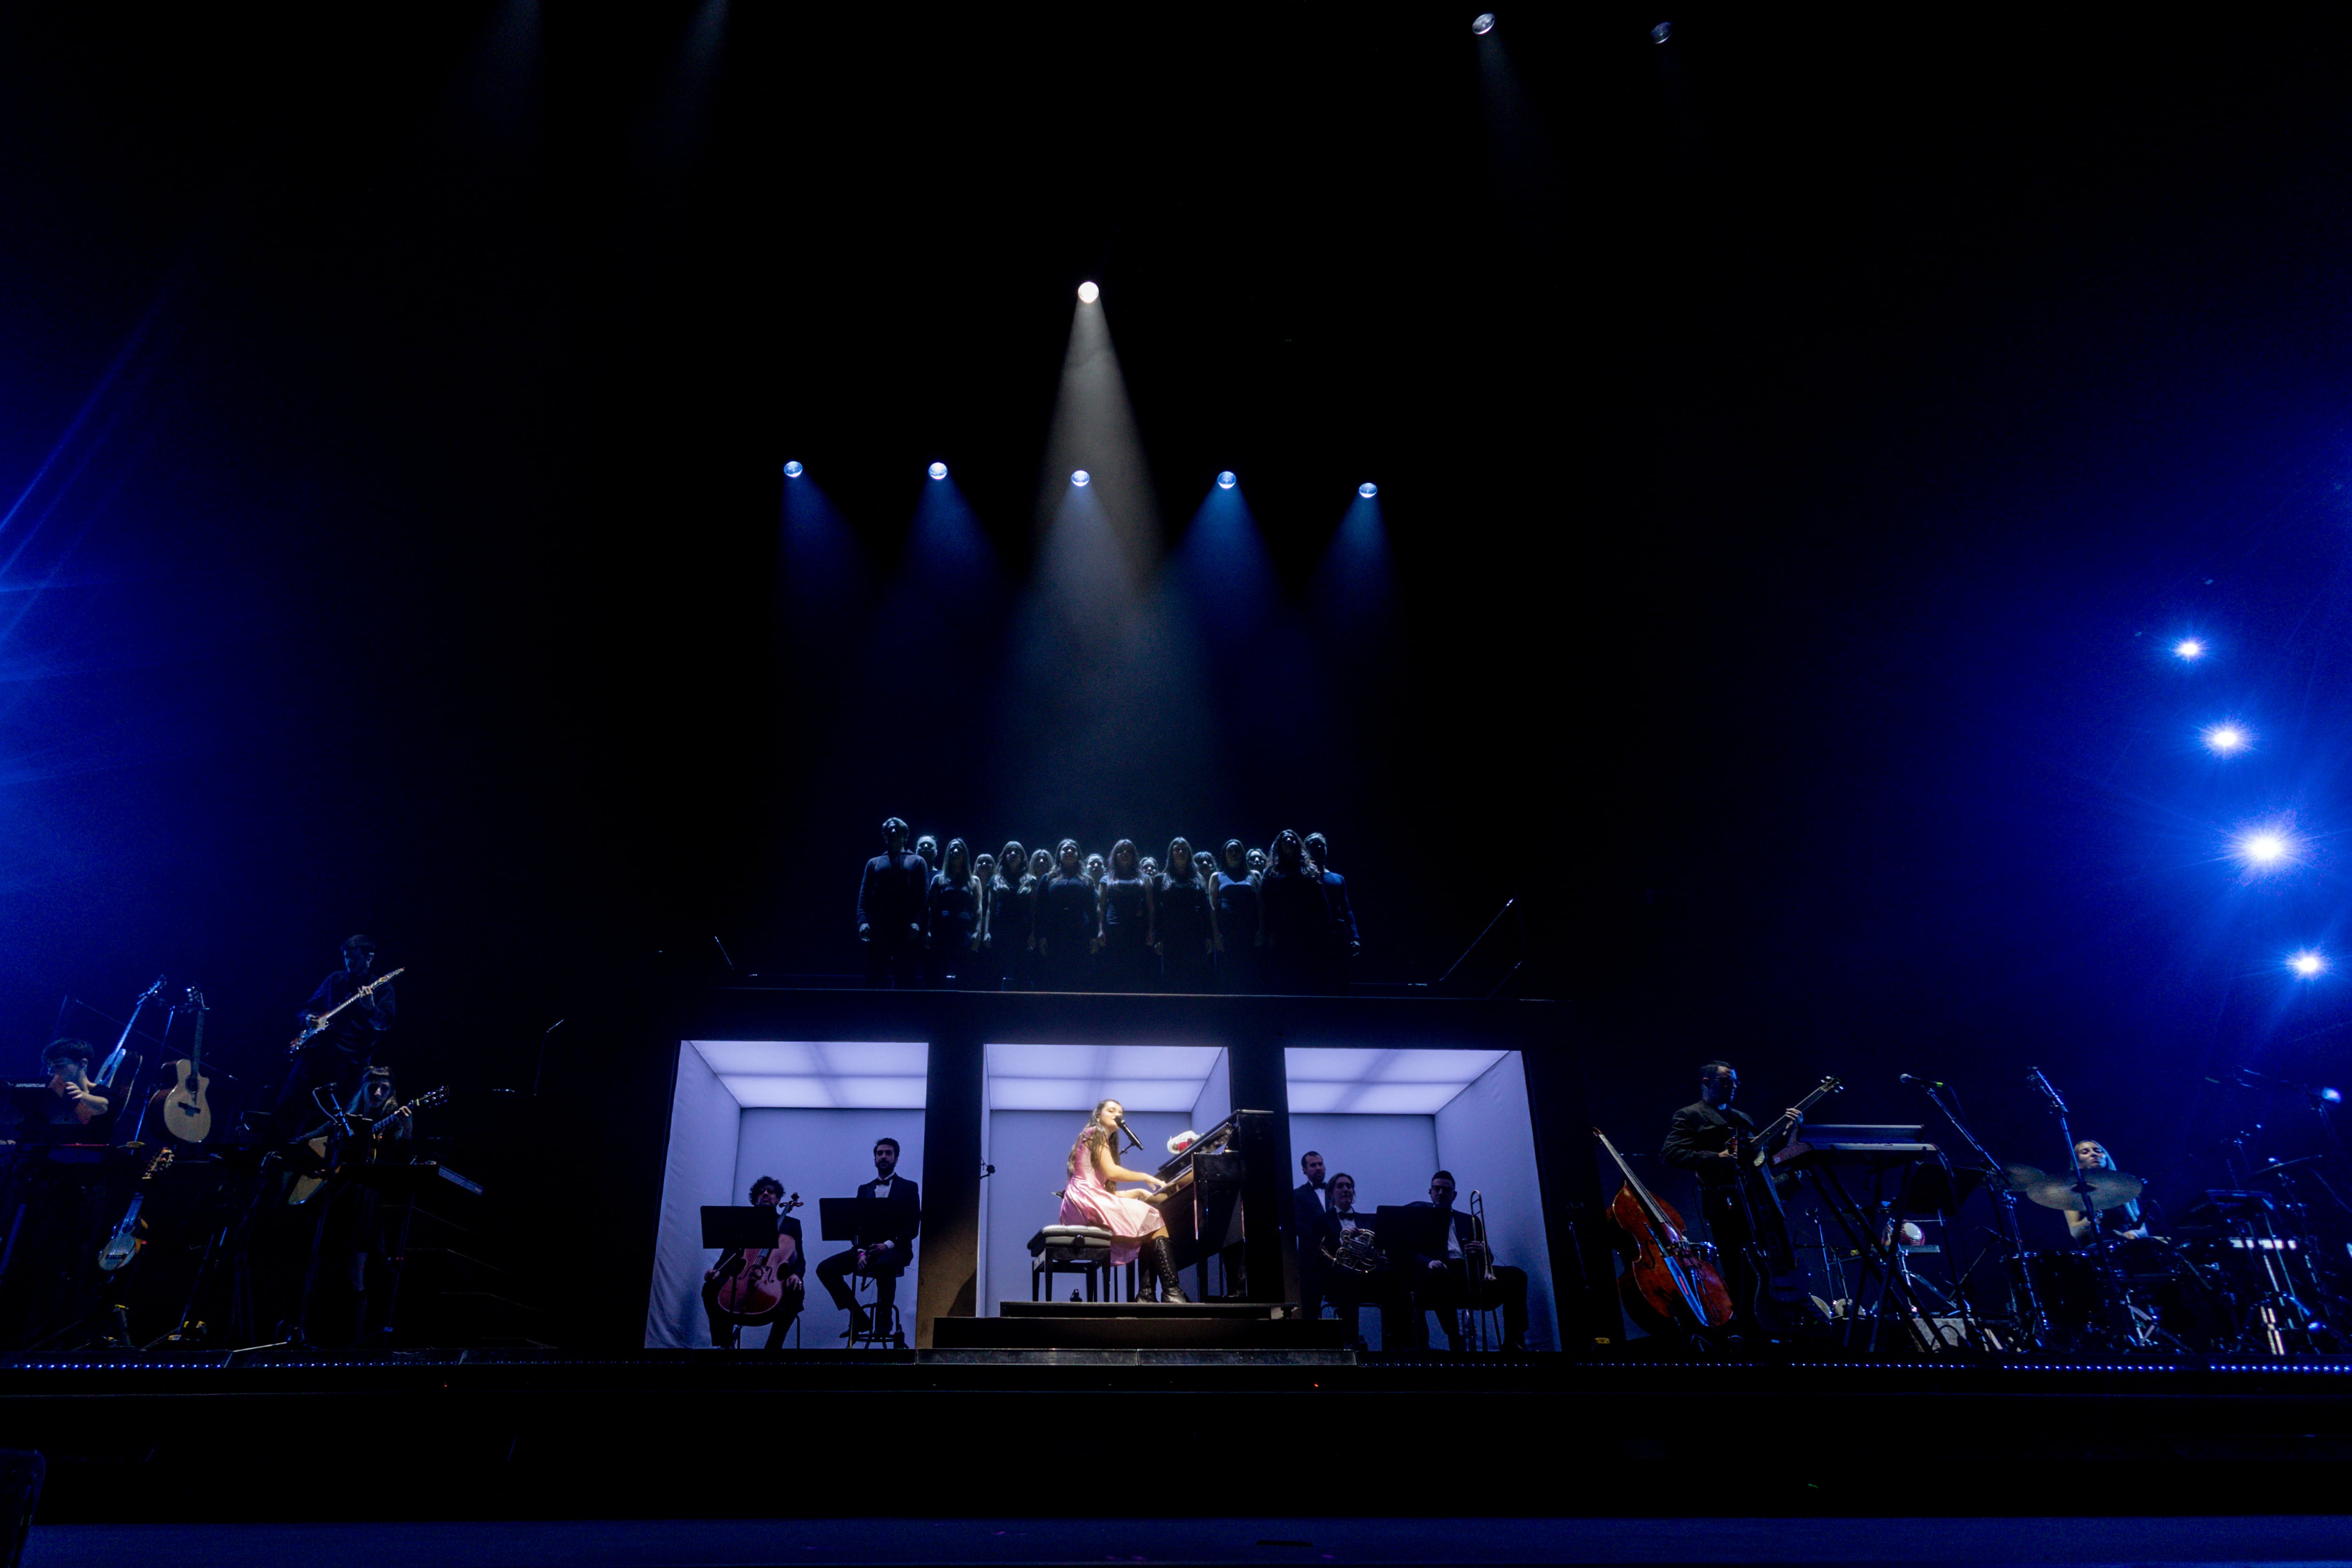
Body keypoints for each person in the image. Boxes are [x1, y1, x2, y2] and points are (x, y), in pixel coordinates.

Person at [1660, 1060, 1806, 1334]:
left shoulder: (1742, 1119)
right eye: (1727, 1081)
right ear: (1707, 1083)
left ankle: (1776, 1322)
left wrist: (1789, 1130)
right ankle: (1745, 1325)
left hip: (1755, 1202)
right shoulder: (1690, 1115)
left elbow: (1762, 1157)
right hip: (1723, 1202)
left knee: (1770, 1262)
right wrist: (1717, 1158)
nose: (1734, 1086)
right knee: (1738, 1268)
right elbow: (1671, 1154)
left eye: (1735, 1081)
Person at [1059, 1099, 1189, 1302]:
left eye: (1120, 1112)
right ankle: (1171, 1292)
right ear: (1098, 1115)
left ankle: (1146, 1295)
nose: (1117, 1115)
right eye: (1111, 1111)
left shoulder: (1093, 1138)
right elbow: (1111, 1172)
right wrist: (1145, 1177)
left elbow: (1101, 1191)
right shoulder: (1095, 1132)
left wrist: (1137, 1192)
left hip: (1080, 1202)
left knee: (1147, 1227)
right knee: (1154, 1217)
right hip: (1085, 1201)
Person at [271, 935, 396, 1130]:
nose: (349, 963)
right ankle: (268, 1155)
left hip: (346, 1063)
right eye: (347, 957)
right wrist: (309, 1017)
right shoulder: (335, 980)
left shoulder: (383, 988)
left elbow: (384, 1024)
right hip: (314, 1054)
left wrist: (370, 1008)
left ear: (369, 957)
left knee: (323, 1119)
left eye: (355, 958)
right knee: (286, 1107)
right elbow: (306, 1008)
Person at [1403, 1170, 1530, 1352]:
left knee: (1517, 1275)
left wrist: (1481, 1251)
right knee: (1438, 1277)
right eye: (1436, 1189)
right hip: (1440, 1272)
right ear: (1430, 1192)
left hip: (1470, 1271)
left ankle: (1514, 1342)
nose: (1440, 1193)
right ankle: (1455, 1340)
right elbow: (1412, 1252)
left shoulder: (1469, 1220)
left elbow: (1489, 1258)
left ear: (1454, 1195)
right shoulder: (1419, 1220)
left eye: (1446, 1190)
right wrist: (1429, 1262)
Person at [815, 1138, 920, 1344]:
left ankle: (885, 1317)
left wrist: (887, 1245)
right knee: (825, 1268)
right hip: (868, 1248)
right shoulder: (864, 1189)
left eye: (888, 1153)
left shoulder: (909, 1187)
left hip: (897, 1248)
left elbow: (912, 1227)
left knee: (884, 1265)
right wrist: (861, 1252)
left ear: (896, 1159)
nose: (883, 1156)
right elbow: (858, 1227)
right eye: (880, 1153)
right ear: (875, 1158)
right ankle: (859, 1317)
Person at [702, 1176, 806, 1352]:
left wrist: (796, 1274)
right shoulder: (744, 1221)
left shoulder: (791, 1224)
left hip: (772, 1280)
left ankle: (773, 1350)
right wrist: (718, 1271)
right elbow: (730, 1253)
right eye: (761, 1192)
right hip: (743, 1276)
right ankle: (725, 1344)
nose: (765, 1194)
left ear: (779, 1199)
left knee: (797, 1292)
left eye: (771, 1192)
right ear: (755, 1198)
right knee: (710, 1288)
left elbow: (800, 1259)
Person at [856, 818, 930, 988]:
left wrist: (918, 922)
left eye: (897, 829)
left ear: (905, 835)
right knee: (875, 975)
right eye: (889, 830)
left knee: (906, 976)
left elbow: (923, 896)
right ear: (885, 835)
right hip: (879, 926)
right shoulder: (874, 863)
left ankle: (903, 1013)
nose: (893, 832)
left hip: (906, 928)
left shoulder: (917, 861)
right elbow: (864, 895)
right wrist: (862, 922)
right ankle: (874, 1013)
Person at [1256, 830, 1332, 994]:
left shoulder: (1309, 870)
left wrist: (1324, 930)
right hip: (1281, 929)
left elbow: (1321, 902)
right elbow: (1265, 903)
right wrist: (1267, 930)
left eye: (1293, 838)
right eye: (1285, 839)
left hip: (1306, 929)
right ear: (1279, 845)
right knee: (1282, 974)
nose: (1290, 840)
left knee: (1305, 973)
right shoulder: (1271, 872)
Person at [1033, 840, 1098, 992]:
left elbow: (1092, 909)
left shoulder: (1087, 880)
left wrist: (1094, 937)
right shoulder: (1048, 878)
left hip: (1080, 932)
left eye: (1073, 849)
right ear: (1059, 855)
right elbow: (1040, 909)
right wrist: (1041, 936)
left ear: (1078, 855)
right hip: (1055, 933)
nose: (1069, 852)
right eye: (1065, 849)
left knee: (1079, 976)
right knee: (1055, 975)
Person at [1154, 839, 1216, 993]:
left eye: (1184, 850)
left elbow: (1205, 909)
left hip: (1194, 935)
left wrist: (1208, 936)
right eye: (1177, 850)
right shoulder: (1161, 879)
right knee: (1173, 977)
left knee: (1195, 977)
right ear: (1171, 854)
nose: (1181, 852)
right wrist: (1159, 938)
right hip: (1171, 935)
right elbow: (1157, 911)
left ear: (1189, 854)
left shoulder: (1198, 878)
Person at [1096, 839, 1157, 992]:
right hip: (1113, 930)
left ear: (1134, 855)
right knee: (1114, 973)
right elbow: (1101, 907)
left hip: (1137, 931)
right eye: (1121, 851)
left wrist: (1151, 930)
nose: (1124, 854)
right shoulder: (1106, 879)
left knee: (1136, 974)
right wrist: (1100, 930)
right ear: (1115, 855)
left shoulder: (1145, 878)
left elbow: (1150, 906)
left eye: (1129, 851)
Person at [2064, 1138, 2150, 1244]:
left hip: (2129, 1246)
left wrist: (2135, 1234)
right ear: (2078, 1163)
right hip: (2097, 1249)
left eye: (2097, 1151)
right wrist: (2091, 1220)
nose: (2094, 1154)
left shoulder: (2124, 1188)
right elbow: (2075, 1232)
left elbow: (2144, 1230)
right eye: (2086, 1152)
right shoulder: (2072, 1193)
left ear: (2106, 1157)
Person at [1305, 833, 1361, 991]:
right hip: (1314, 934)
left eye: (1322, 844)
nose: (1320, 847)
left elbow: (1347, 909)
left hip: (1338, 935)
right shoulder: (1305, 878)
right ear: (1307, 850)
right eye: (1315, 845)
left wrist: (1355, 936)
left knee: (1342, 977)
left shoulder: (1338, 879)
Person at [925, 837, 982, 988]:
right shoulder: (939, 879)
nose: (956, 852)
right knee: (938, 978)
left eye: (959, 849)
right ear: (948, 854)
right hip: (942, 934)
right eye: (952, 849)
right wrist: (928, 931)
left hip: (964, 934)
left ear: (965, 854)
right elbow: (932, 908)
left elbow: (978, 909)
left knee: (964, 978)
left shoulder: (974, 881)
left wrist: (978, 931)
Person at [1211, 839, 1263, 993]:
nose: (1233, 854)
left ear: (1242, 854)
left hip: (1249, 932)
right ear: (1224, 855)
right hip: (1228, 933)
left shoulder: (1254, 875)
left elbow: (1261, 904)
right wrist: (1216, 935)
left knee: (1250, 975)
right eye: (1230, 851)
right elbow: (1213, 907)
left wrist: (1262, 929)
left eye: (1237, 851)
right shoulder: (1217, 876)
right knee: (1229, 976)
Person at [984, 841, 1033, 990]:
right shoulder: (996, 879)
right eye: (1009, 852)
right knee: (996, 972)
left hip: (1021, 932)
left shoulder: (1030, 880)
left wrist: (1033, 933)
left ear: (1022, 856)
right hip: (1001, 931)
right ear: (1004, 856)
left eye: (1017, 852)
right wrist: (986, 932)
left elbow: (1033, 910)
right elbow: (990, 909)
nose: (1013, 854)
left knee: (1021, 973)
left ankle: (1020, 1009)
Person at [1293, 1149, 1333, 1326]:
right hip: (1312, 1259)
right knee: (1310, 1308)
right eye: (1313, 1165)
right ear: (1304, 1170)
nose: (1318, 1168)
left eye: (1321, 1164)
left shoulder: (1335, 1191)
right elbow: (1299, 1226)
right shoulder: (1298, 1194)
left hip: (1337, 1257)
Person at [40, 1040, 110, 1130]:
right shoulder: (50, 1093)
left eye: (59, 1066)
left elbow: (104, 1106)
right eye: (49, 1067)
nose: (51, 1072)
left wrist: (81, 1096)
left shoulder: (105, 1093)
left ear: (82, 1064)